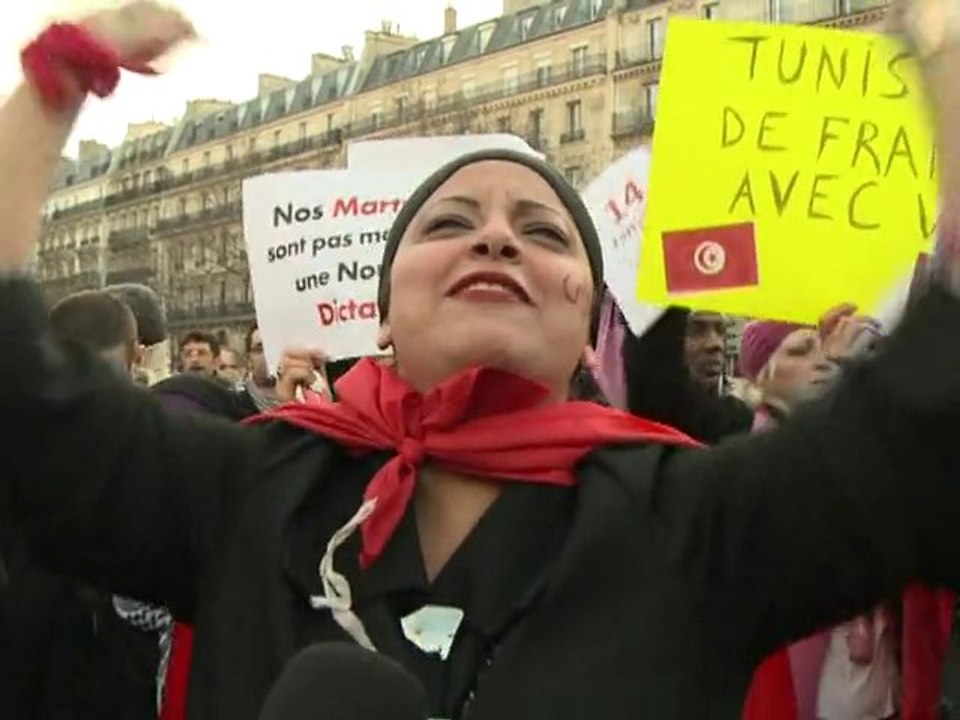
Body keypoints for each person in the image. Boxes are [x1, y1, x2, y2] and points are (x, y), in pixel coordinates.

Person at [6, 3, 960, 720]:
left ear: (593, 324)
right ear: (380, 317)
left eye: (542, 231)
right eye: (452, 223)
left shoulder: (695, 511)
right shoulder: (247, 485)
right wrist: (58, 77)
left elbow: (924, 431)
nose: (496, 239)